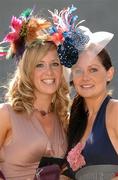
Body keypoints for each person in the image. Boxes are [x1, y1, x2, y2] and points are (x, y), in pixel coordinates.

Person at [48, 5, 118, 179]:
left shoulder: (115, 112)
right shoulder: (74, 121)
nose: (85, 77)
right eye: (78, 71)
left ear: (109, 73)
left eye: (93, 69)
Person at [0, 8, 70, 179]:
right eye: (39, 65)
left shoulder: (63, 119)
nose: (49, 72)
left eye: (55, 64)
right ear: (28, 71)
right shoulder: (6, 114)